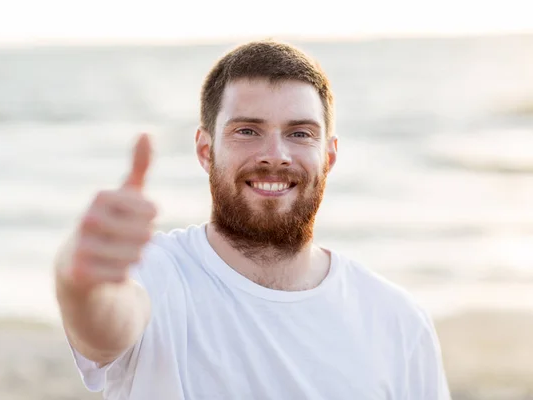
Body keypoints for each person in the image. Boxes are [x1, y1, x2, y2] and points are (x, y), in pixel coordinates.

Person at [54, 40, 451, 399]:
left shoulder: (397, 320)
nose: (275, 155)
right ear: (206, 151)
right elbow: (103, 327)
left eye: (299, 134)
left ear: (328, 156)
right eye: (247, 130)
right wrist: (80, 279)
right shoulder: (157, 273)